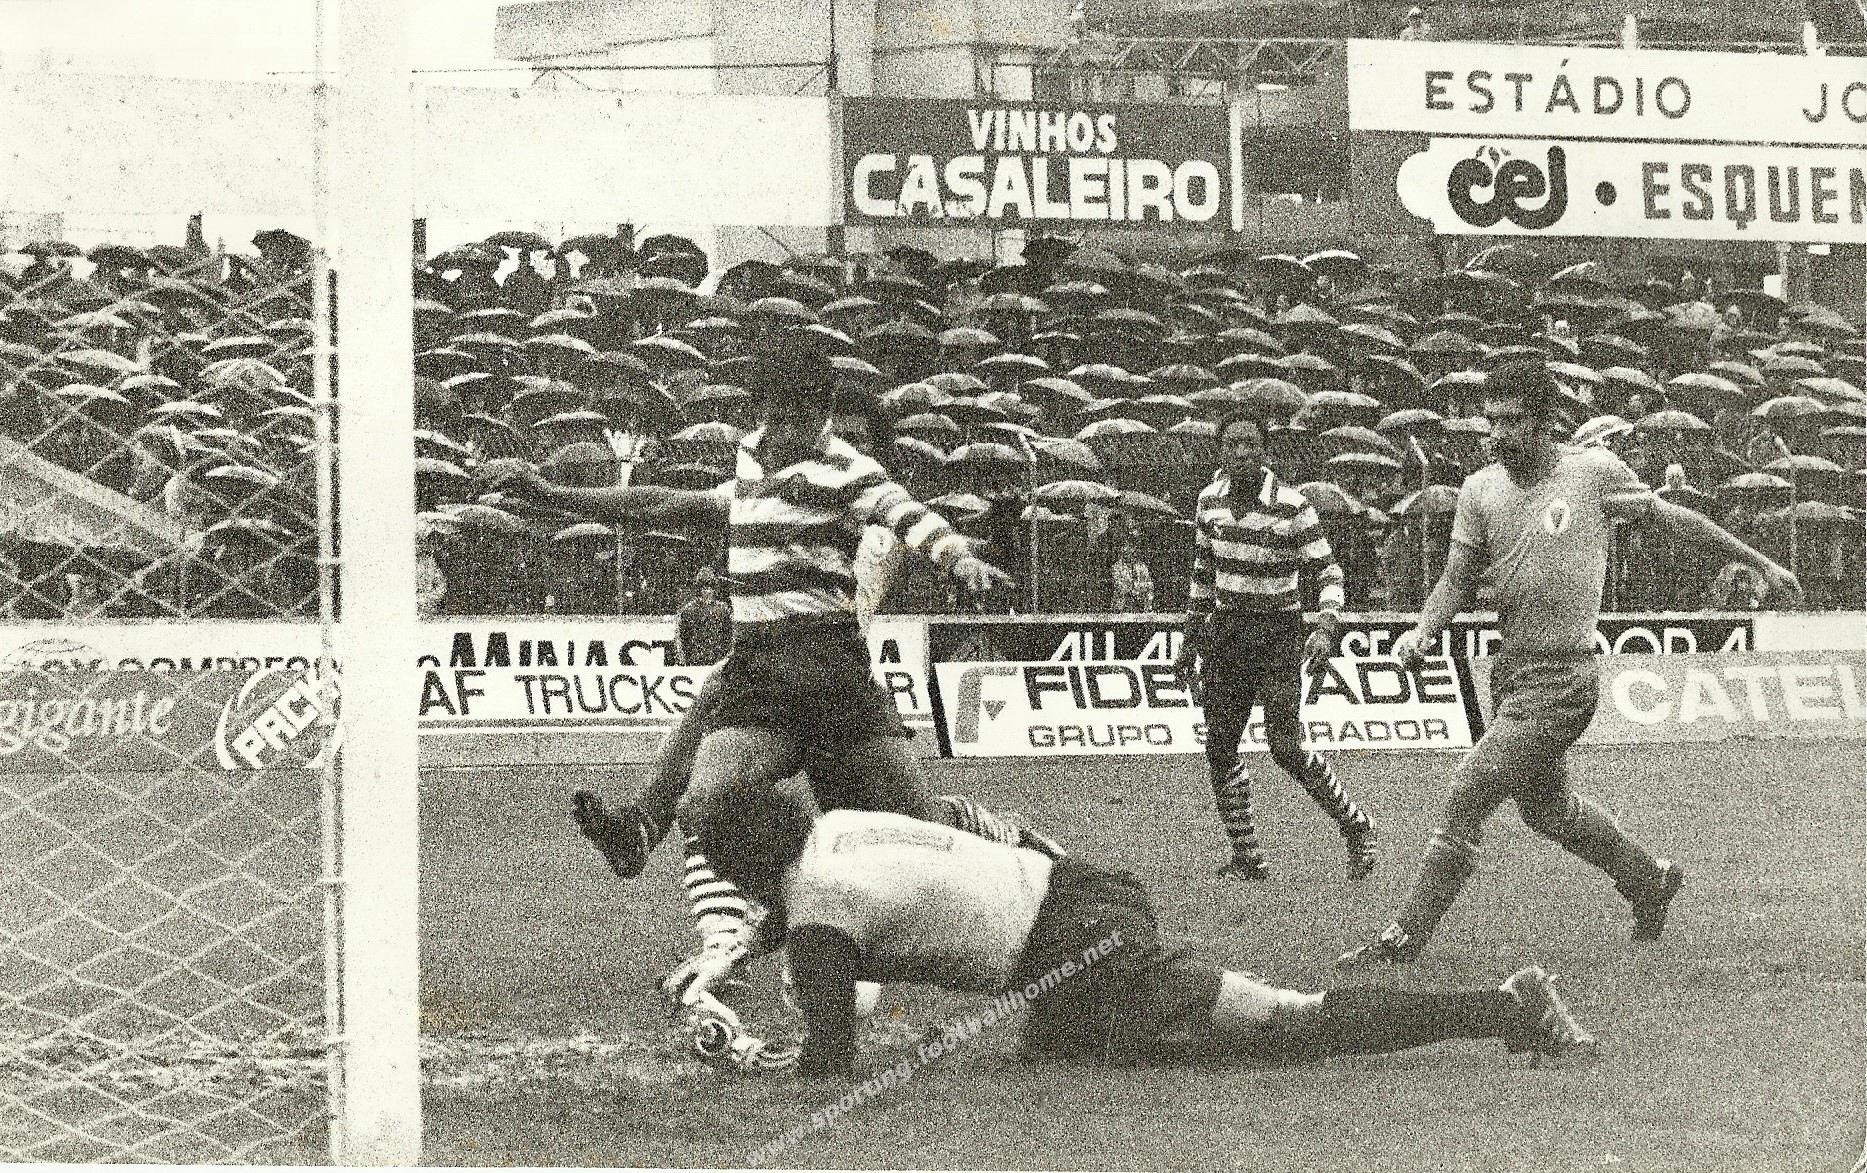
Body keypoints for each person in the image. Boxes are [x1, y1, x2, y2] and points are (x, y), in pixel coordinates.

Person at [1337, 361, 1800, 969]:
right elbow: (1456, 580)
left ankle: (1405, 937)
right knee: (1548, 810)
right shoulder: (1479, 490)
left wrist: (1759, 561)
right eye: (1491, 422)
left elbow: (1675, 519)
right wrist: (1422, 632)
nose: (1496, 435)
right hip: (1512, 674)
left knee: (1468, 791)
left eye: (1511, 422)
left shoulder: (1592, 473)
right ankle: (1649, 878)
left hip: (1566, 678)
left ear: (1543, 422)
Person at [689, 787, 1597, 1078]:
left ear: (739, 864)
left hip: (1080, 945)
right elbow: (828, 902)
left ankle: (1504, 1006)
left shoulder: (818, 911)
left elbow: (830, 1056)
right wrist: (732, 952)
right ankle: (1145, 1028)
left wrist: (745, 1056)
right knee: (1059, 1054)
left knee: (1287, 1024)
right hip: (1082, 894)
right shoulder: (836, 827)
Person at [1172, 410, 1378, 882]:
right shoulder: (1208, 501)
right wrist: (1189, 638)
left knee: (1284, 746)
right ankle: (1248, 856)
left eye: (1250, 443)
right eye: (1232, 444)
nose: (1241, 452)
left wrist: (1326, 626)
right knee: (1220, 746)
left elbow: (1329, 573)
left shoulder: (1292, 505)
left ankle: (1356, 825)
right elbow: (1202, 576)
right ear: (1221, 451)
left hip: (1277, 634)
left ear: (1264, 451)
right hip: (1226, 634)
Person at [672, 568, 732, 666]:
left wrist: (725, 660)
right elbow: (681, 637)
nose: (707, 591)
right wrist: (684, 660)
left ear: (714, 590)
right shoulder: (688, 611)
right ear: (699, 590)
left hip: (717, 661)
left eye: (710, 587)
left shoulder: (723, 610)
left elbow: (729, 636)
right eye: (704, 588)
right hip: (694, 661)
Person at [1108, 537, 1155, 613]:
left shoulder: (1142, 566)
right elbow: (1118, 584)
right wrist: (1131, 587)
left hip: (1139, 593)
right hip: (1124, 597)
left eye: (1131, 550)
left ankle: (1147, 609)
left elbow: (1149, 582)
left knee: (1149, 588)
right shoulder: (1117, 567)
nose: (1130, 554)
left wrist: (1138, 587)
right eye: (1126, 552)